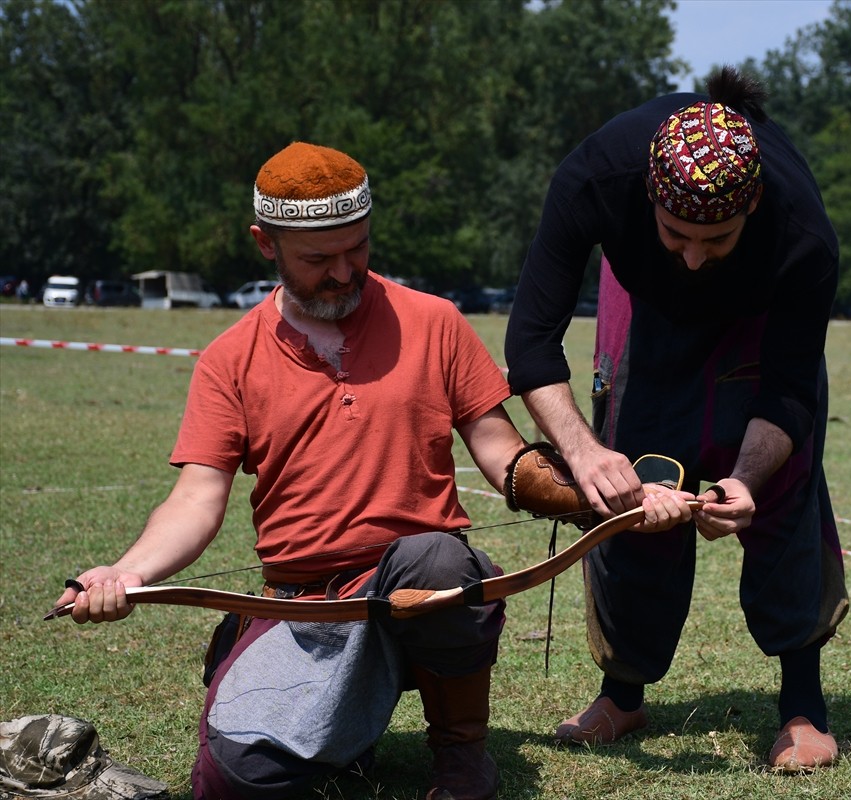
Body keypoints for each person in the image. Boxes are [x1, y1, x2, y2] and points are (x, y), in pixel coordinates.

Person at [54, 142, 530, 800]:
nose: (344, 271)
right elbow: (195, 499)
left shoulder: (435, 322)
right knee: (233, 784)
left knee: (438, 562)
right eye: (317, 259)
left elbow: (502, 450)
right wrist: (127, 573)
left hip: (419, 593)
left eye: (357, 248)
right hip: (306, 613)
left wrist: (584, 492)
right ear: (264, 244)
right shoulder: (229, 359)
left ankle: (462, 758)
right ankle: (335, 736)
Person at [503, 67, 850, 772]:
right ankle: (622, 693)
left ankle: (803, 708)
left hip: (758, 322)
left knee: (783, 490)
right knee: (633, 481)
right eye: (675, 234)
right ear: (648, 198)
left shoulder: (802, 230)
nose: (694, 258)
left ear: (750, 209)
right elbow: (530, 343)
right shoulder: (597, 175)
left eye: (716, 240)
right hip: (644, 312)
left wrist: (748, 479)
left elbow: (788, 391)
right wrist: (586, 451)